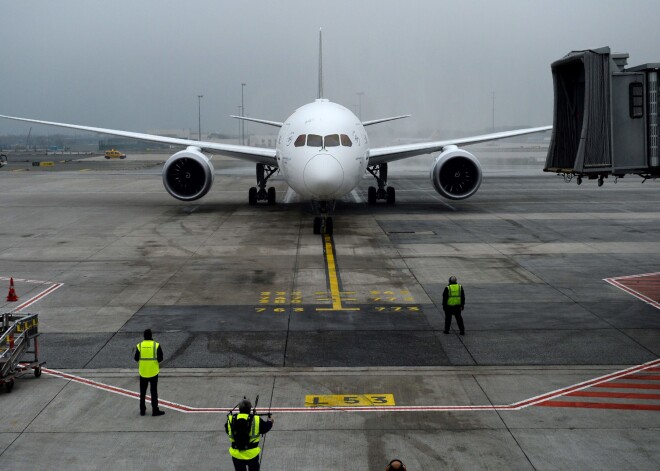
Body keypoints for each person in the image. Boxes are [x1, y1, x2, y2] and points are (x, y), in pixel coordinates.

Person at [225, 398, 274, 471]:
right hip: (252, 454)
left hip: (236, 454)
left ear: (239, 409)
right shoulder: (256, 419)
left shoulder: (231, 419)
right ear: (250, 409)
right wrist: (270, 421)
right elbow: (265, 428)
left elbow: (228, 430)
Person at [134, 328, 165, 416]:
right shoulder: (156, 345)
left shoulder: (139, 345)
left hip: (143, 372)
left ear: (144, 336)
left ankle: (142, 410)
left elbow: (136, 358)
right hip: (153, 372)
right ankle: (155, 410)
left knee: (142, 392)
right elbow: (160, 358)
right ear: (151, 336)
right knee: (153, 391)